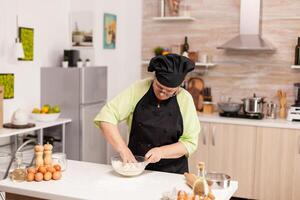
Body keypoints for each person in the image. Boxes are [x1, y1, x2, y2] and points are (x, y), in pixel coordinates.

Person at [94, 54, 200, 174]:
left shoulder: (185, 99)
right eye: (159, 87)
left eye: (170, 92)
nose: (162, 94)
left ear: (178, 87)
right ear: (154, 79)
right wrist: (123, 149)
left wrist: (161, 152)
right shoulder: (139, 88)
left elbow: (190, 143)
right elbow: (106, 116)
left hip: (172, 172)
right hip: (136, 167)